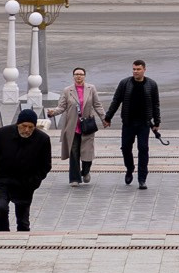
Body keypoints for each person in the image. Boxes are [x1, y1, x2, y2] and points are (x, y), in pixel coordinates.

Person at [0, 108, 52, 232]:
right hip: (3, 180)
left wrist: (34, 181)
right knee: (1, 209)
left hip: (25, 184)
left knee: (22, 220)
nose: (27, 130)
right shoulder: (3, 134)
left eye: (31, 127)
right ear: (18, 124)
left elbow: (45, 166)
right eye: (24, 126)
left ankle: (21, 243)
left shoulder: (42, 139)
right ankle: (3, 236)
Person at [104, 58, 161, 188]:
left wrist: (157, 122)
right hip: (128, 122)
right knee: (125, 148)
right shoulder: (125, 83)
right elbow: (116, 101)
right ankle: (129, 168)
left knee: (143, 149)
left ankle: (142, 179)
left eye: (138, 69)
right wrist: (108, 117)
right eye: (134, 69)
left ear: (144, 70)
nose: (135, 72)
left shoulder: (152, 84)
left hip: (144, 123)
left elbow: (156, 104)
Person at [54, 66, 102, 184]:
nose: (78, 76)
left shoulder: (91, 88)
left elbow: (97, 105)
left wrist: (105, 118)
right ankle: (74, 179)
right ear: (73, 76)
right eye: (76, 74)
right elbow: (62, 106)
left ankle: (85, 171)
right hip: (72, 127)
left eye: (81, 74)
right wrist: (53, 112)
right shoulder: (67, 90)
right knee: (74, 152)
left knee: (87, 152)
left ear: (84, 76)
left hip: (87, 125)